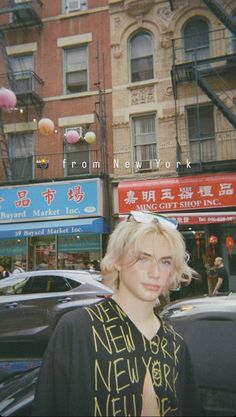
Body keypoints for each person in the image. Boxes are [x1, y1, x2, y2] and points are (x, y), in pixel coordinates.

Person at [32, 210, 202, 417]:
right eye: (143, 259)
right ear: (118, 261)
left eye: (165, 261)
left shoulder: (175, 344)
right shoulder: (78, 330)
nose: (155, 272)